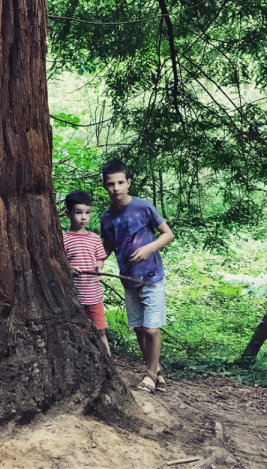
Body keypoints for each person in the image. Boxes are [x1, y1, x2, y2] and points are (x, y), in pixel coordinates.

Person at [100, 160, 174, 394]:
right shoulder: (106, 217)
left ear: (128, 182)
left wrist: (149, 248)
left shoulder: (143, 207)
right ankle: (156, 371)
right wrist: (99, 259)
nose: (116, 188)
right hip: (128, 280)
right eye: (111, 184)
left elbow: (167, 234)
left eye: (121, 182)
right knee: (140, 329)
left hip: (151, 276)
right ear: (105, 186)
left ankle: (150, 375)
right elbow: (108, 244)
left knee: (152, 329)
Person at [63, 190, 111, 356]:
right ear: (67, 213)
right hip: (73, 298)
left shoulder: (94, 238)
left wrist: (99, 265)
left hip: (94, 296)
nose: (83, 217)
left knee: (100, 331)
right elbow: (59, 264)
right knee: (76, 333)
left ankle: (108, 362)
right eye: (78, 212)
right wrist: (68, 268)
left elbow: (100, 258)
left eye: (87, 213)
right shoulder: (63, 239)